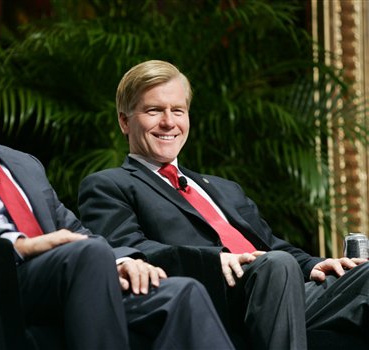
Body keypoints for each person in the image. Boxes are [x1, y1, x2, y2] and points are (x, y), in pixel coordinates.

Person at [0, 25, 235, 350]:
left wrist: (122, 261)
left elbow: (73, 229)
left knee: (181, 291)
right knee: (86, 256)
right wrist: (19, 244)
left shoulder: (23, 163)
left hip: (71, 276)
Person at [78, 59, 369, 349]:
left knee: (363, 274)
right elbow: (128, 250)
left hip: (281, 284)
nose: (169, 122)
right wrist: (212, 260)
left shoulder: (222, 187)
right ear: (125, 121)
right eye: (154, 110)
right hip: (218, 294)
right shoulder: (108, 184)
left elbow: (272, 244)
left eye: (177, 111)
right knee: (275, 266)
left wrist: (317, 264)